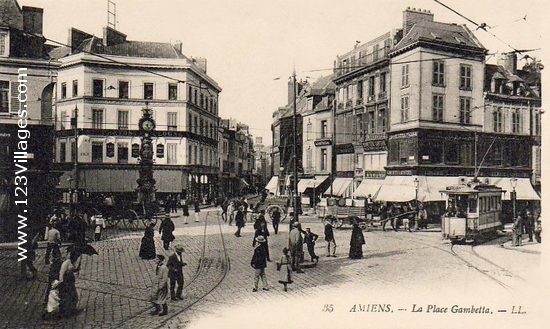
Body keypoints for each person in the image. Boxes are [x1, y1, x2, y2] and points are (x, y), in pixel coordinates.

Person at [58, 251, 81, 317]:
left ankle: (72, 309)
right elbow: (61, 273)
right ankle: (66, 311)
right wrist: (61, 283)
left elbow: (73, 270)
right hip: (66, 282)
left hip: (71, 282)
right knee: (67, 296)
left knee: (73, 296)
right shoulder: (66, 263)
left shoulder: (72, 262)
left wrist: (77, 268)